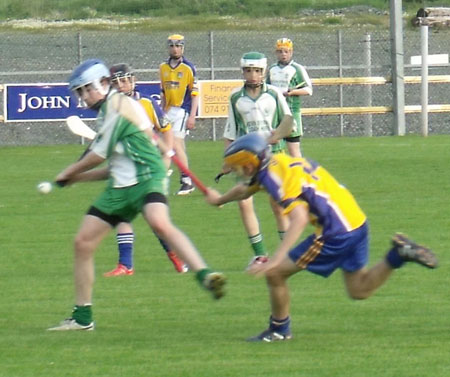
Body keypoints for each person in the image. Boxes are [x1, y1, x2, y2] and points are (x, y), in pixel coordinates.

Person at [206, 133, 438, 342]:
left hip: (335, 232)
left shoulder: (273, 178)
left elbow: (299, 218)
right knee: (358, 290)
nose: (238, 174)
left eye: (238, 169)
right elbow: (246, 189)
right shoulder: (277, 162)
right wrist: (219, 200)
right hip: (356, 220)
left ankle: (279, 330)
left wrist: (276, 259)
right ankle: (398, 254)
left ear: (249, 166)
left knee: (276, 274)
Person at [48, 59, 226, 331]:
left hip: (147, 177)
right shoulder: (111, 109)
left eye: (87, 89)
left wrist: (68, 172)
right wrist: (75, 179)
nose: (84, 96)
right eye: (80, 92)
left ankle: (204, 274)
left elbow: (96, 156)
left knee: (159, 222)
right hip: (120, 186)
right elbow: (115, 166)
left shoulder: (117, 108)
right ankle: (82, 318)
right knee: (83, 243)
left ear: (104, 84)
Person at [104, 63, 187, 276]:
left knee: (156, 220)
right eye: (117, 82)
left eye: (125, 80)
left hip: (149, 169)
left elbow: (166, 129)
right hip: (125, 169)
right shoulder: (110, 109)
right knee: (121, 214)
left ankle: (176, 255)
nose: (122, 85)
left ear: (132, 80)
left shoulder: (147, 104)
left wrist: (166, 157)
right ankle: (125, 264)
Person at [220, 51, 293, 261]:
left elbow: (288, 122)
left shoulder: (274, 94)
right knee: (244, 203)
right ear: (243, 71)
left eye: (257, 71)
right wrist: (227, 160)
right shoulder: (235, 97)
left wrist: (275, 137)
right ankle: (260, 255)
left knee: (278, 206)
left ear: (264, 71)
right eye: (248, 70)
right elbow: (231, 131)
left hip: (274, 154)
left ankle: (286, 254)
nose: (253, 75)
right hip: (247, 159)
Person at [159, 34, 199, 195]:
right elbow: (163, 92)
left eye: (178, 46)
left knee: (174, 143)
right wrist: (160, 112)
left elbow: (195, 93)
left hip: (182, 110)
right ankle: (182, 178)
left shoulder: (188, 67)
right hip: (168, 110)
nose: (175, 49)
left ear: (182, 48)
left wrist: (192, 116)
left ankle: (186, 179)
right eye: (172, 46)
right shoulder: (163, 67)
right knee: (174, 145)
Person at [267, 38, 313, 157]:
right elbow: (266, 88)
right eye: (280, 51)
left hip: (291, 111)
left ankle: (298, 173)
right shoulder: (272, 69)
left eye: (286, 51)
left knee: (293, 149)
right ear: (276, 52)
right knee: (274, 148)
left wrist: (292, 92)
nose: (283, 54)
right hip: (275, 113)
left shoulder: (297, 69)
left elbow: (308, 89)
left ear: (291, 52)